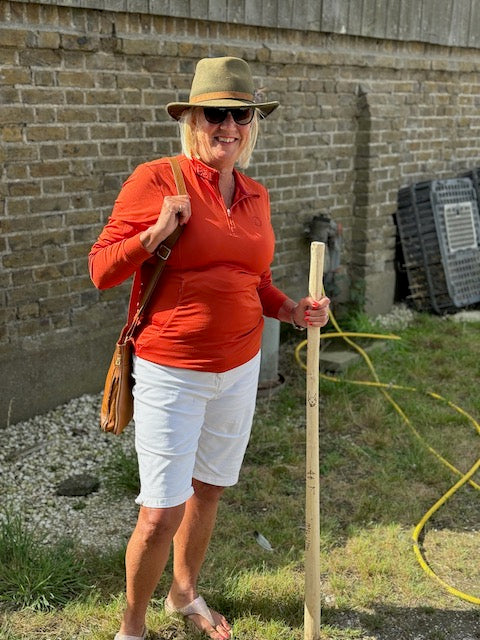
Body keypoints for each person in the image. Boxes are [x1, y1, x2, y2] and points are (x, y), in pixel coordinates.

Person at [89, 56, 330, 640]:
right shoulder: (157, 180)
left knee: (210, 488)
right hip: (172, 369)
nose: (228, 126)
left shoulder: (255, 194)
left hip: (240, 368)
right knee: (160, 511)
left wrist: (292, 310)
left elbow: (255, 280)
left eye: (239, 114)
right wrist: (154, 234)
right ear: (192, 118)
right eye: (215, 113)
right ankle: (132, 627)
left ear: (253, 122)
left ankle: (183, 593)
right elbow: (101, 269)